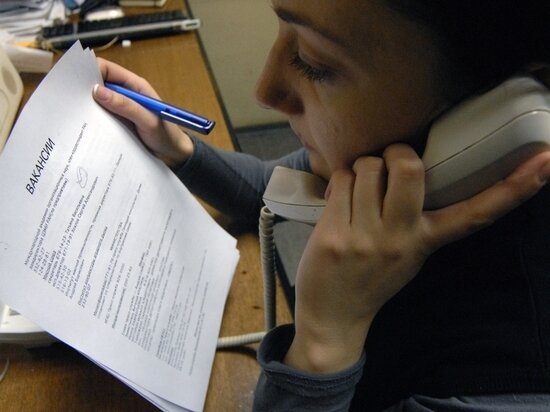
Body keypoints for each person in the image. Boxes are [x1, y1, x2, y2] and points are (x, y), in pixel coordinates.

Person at [92, 1, 550, 410]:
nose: (265, 90)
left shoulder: (506, 383)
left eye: (313, 62)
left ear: (492, 110)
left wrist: (322, 343)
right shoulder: (377, 163)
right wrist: (175, 146)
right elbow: (268, 189)